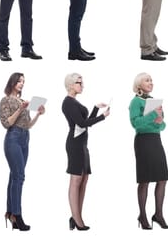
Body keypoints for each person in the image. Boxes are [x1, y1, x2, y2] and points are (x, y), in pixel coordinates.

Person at [62, 73, 110, 231]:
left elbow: (85, 124)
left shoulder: (74, 101)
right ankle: (77, 219)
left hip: (83, 144)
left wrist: (96, 108)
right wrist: (102, 117)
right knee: (75, 180)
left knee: (84, 179)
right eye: (79, 83)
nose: (82, 85)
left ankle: (76, 216)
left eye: (82, 83)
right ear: (70, 84)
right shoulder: (68, 102)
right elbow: (82, 123)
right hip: (75, 144)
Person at [0, 72, 45, 231]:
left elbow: (28, 125)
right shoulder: (6, 100)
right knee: (19, 176)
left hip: (25, 137)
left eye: (23, 81)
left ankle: (10, 212)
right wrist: (20, 109)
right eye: (19, 81)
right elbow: (7, 123)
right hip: (13, 138)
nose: (21, 84)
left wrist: (38, 114)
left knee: (15, 175)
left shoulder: (22, 101)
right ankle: (17, 216)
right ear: (12, 82)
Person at [129, 73, 168, 230]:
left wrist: (159, 121)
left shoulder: (153, 102)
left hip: (156, 140)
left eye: (152, 80)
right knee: (145, 179)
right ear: (139, 84)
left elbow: (163, 126)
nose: (151, 82)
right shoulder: (136, 101)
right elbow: (136, 124)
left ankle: (158, 215)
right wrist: (152, 116)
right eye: (147, 80)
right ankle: (143, 215)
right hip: (143, 141)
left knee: (162, 178)